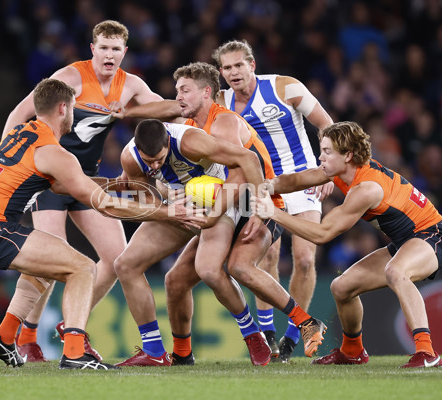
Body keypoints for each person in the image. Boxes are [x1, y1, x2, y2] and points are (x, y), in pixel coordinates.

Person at [0, 78, 204, 370]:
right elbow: (104, 204)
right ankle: (74, 352)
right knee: (83, 267)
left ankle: (4, 337)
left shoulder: (22, 134)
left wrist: (113, 183)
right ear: (63, 108)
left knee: (48, 265)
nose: (75, 114)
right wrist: (168, 213)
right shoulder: (53, 151)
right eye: (74, 107)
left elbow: (62, 186)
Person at [119, 62, 327, 366]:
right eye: (176, 91)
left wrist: (253, 211)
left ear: (206, 93)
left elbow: (244, 168)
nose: (177, 97)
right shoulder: (148, 147)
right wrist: (167, 208)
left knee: (225, 268)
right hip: (203, 203)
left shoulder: (213, 128)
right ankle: (171, 354)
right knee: (163, 277)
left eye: (184, 90)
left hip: (243, 200)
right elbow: (144, 197)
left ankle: (275, 330)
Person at [0, 20, 164, 362]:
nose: (109, 54)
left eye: (115, 49)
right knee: (49, 259)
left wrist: (132, 110)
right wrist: (4, 156)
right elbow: (21, 110)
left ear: (124, 53)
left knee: (118, 257)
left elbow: (162, 108)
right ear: (92, 49)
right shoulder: (71, 77)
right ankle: (27, 337)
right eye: (103, 47)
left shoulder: (130, 84)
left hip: (84, 178)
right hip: (47, 179)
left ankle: (72, 326)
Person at [251, 121, 442, 368]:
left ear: (347, 155)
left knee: (396, 271)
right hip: (407, 241)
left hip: (433, 235)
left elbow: (323, 233)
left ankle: (427, 352)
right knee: (341, 287)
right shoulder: (343, 171)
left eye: (327, 151)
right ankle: (352, 351)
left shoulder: (366, 188)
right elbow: (296, 180)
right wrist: (263, 186)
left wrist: (273, 212)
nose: (320, 156)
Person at [114, 118, 272, 367]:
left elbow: (248, 159)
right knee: (125, 265)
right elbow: (147, 198)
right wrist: (167, 210)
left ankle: (253, 334)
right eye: (149, 161)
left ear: (167, 142)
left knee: (209, 271)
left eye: (159, 159)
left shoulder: (190, 141)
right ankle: (154, 350)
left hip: (216, 202)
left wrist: (260, 209)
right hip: (179, 207)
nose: (154, 166)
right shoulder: (130, 158)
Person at [213, 39, 334, 362]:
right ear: (221, 72)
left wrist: (330, 171)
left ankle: (295, 333)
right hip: (259, 186)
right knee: (264, 259)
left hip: (302, 179)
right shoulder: (219, 101)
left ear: (252, 65)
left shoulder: (285, 87)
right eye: (227, 67)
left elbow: (326, 125)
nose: (234, 72)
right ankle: (268, 334)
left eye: (239, 65)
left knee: (305, 259)